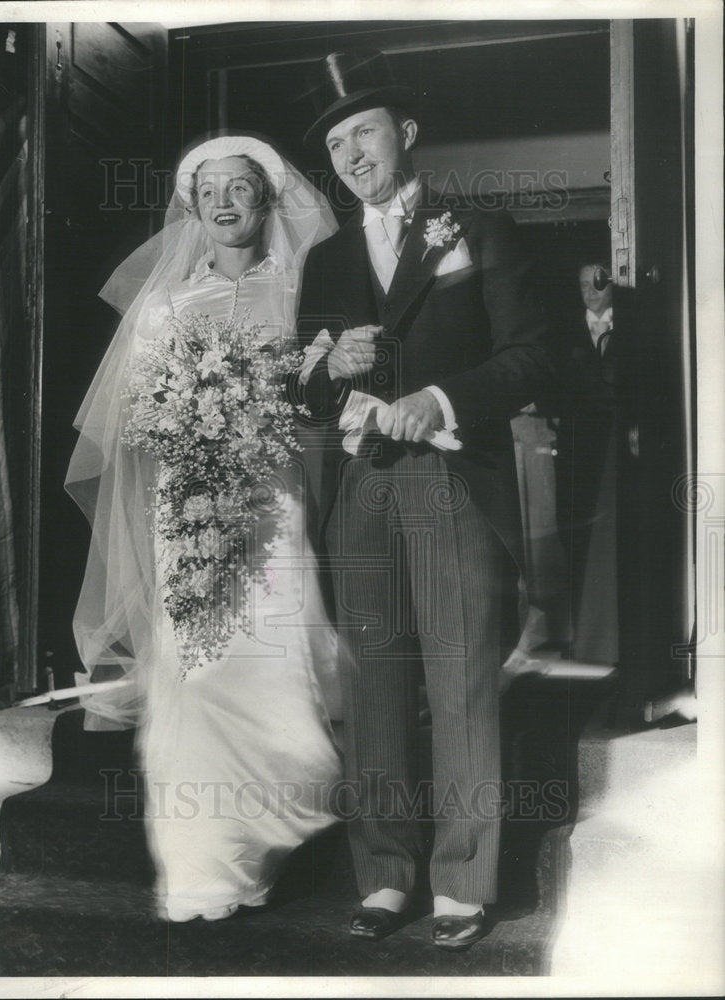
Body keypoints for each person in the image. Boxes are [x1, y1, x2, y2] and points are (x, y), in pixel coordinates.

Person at [296, 49, 553, 950]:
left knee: (461, 684)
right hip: (359, 485)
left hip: (448, 476)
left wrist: (438, 400)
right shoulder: (325, 258)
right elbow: (301, 388)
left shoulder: (475, 227)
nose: (352, 156)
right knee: (372, 689)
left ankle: (463, 884)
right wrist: (330, 368)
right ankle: (385, 876)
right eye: (336, 145)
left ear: (405, 134)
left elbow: (531, 355)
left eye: (364, 132)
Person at [65, 136, 343, 922]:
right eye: (209, 192)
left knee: (272, 662)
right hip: (188, 510)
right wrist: (192, 433)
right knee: (196, 674)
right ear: (193, 207)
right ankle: (203, 868)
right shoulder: (165, 304)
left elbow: (326, 394)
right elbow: (134, 418)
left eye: (241, 189)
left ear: (267, 199)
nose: (225, 204)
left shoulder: (301, 287)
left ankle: (271, 825)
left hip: (276, 505)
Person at [555, 260, 619, 666]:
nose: (588, 292)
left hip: (619, 450)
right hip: (577, 450)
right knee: (573, 534)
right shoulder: (563, 332)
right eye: (581, 285)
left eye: (595, 283)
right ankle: (580, 636)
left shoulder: (633, 322)